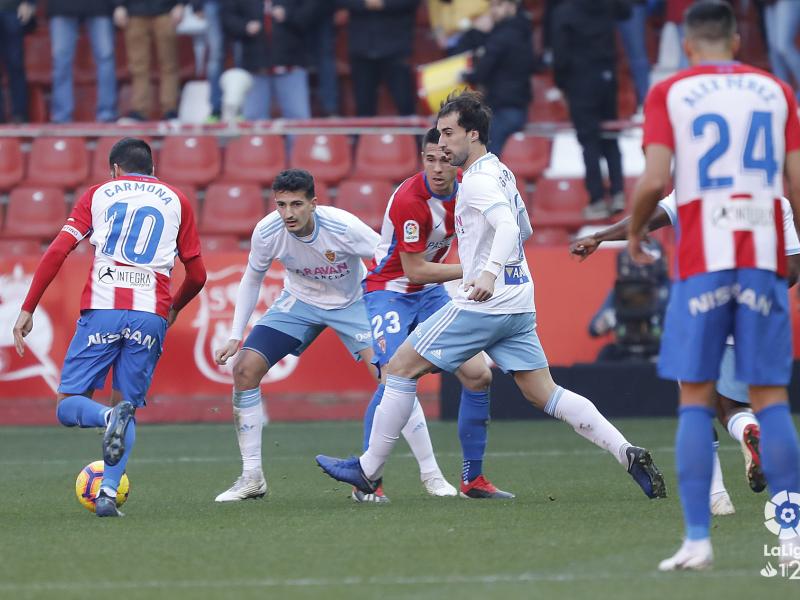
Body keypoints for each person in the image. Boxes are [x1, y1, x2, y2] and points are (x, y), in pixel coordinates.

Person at [316, 90, 667, 502]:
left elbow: (507, 228)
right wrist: (497, 264)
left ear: (474, 134)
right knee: (545, 392)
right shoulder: (500, 171)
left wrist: (487, 271)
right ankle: (624, 451)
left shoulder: (478, 181)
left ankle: (367, 469)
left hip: (486, 302)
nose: (442, 143)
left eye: (449, 134)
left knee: (399, 369)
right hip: (520, 300)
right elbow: (525, 228)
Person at [627, 1, 800, 570]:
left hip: (703, 264)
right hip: (762, 263)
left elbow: (655, 178)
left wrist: (632, 233)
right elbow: (795, 184)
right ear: (734, 39)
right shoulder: (776, 92)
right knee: (771, 402)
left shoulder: (669, 93)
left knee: (695, 402)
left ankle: (698, 540)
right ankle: (792, 538)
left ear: (690, 42)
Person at [213, 169, 456, 502]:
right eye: (281, 205)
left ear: (314, 203)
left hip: (354, 301)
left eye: (296, 204)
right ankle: (251, 477)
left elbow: (388, 259)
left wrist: (396, 305)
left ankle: (431, 475)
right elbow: (252, 278)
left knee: (394, 376)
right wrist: (234, 335)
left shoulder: (343, 227)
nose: (288, 213)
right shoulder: (268, 231)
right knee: (244, 369)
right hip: (300, 301)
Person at [571, 190, 800, 515]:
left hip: (703, 306)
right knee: (733, 406)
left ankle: (717, 497)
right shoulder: (776, 199)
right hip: (754, 314)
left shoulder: (700, 184)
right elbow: (792, 270)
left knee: (696, 401)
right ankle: (749, 430)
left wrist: (598, 236)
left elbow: (646, 220)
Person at [11, 138, 207, 517]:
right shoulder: (177, 199)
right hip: (151, 314)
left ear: (115, 168)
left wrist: (28, 306)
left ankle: (105, 419)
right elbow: (197, 274)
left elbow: (57, 251)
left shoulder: (98, 193)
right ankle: (107, 495)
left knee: (68, 407)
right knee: (127, 406)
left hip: (103, 309)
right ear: (152, 168)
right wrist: (175, 308)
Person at [362, 127, 510, 501]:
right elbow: (415, 271)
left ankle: (473, 480)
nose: (438, 168)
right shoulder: (410, 199)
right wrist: (474, 271)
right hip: (391, 291)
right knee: (392, 377)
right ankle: (368, 481)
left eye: (445, 159)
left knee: (479, 375)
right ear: (422, 160)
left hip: (432, 294)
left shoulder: (469, 188)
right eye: (430, 159)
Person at [552, 0, 630, 220]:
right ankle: (618, 193)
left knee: (589, 141)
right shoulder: (607, 5)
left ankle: (596, 200)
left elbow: (560, 53)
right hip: (607, 77)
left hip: (580, 82)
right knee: (610, 138)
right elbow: (627, 11)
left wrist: (561, 84)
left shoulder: (564, 12)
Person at [459, 0, 536, 158]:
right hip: (517, 107)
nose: (493, 10)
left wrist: (465, 76)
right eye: (492, 6)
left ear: (512, 6)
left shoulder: (501, 36)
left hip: (502, 108)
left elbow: (482, 72)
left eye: (499, 5)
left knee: (486, 159)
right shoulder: (524, 31)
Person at [222, 0, 314, 121]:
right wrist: (244, 27)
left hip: (291, 64)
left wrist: (288, 15)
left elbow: (311, 11)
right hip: (255, 66)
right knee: (254, 122)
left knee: (298, 121)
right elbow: (227, 17)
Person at [338, 0, 419, 117]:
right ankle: (364, 135)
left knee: (405, 102)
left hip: (396, 46)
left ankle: (414, 135)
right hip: (362, 47)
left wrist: (383, 3)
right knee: (363, 107)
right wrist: (366, 3)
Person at [114, 1, 185, 121]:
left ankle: (170, 110)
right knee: (138, 67)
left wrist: (180, 4)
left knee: (169, 64)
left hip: (166, 11)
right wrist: (119, 5)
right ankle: (139, 111)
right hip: (134, 12)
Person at [48, 0, 118, 123]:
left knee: (105, 58)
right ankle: (62, 116)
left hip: (99, 6)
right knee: (61, 61)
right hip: (62, 7)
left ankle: (107, 114)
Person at [0, 0, 34, 123]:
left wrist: (29, 3)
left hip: (12, 10)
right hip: (11, 12)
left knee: (16, 65)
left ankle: (19, 114)